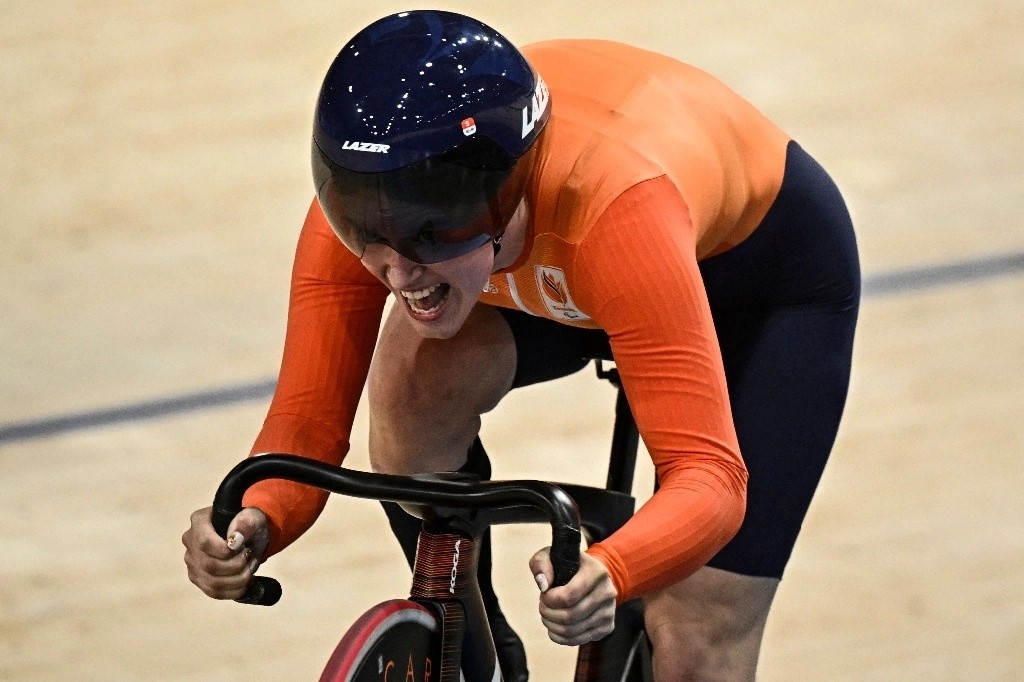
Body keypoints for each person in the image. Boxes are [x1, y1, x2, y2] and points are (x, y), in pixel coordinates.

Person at [182, 9, 860, 680]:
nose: (395, 271)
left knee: (695, 633)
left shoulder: (616, 212)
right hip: (551, 262)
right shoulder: (369, 206)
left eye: (430, 232)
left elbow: (710, 481)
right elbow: (304, 428)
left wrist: (613, 569)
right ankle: (473, 646)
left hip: (751, 280)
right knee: (409, 411)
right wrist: (256, 520)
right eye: (370, 237)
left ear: (505, 192)